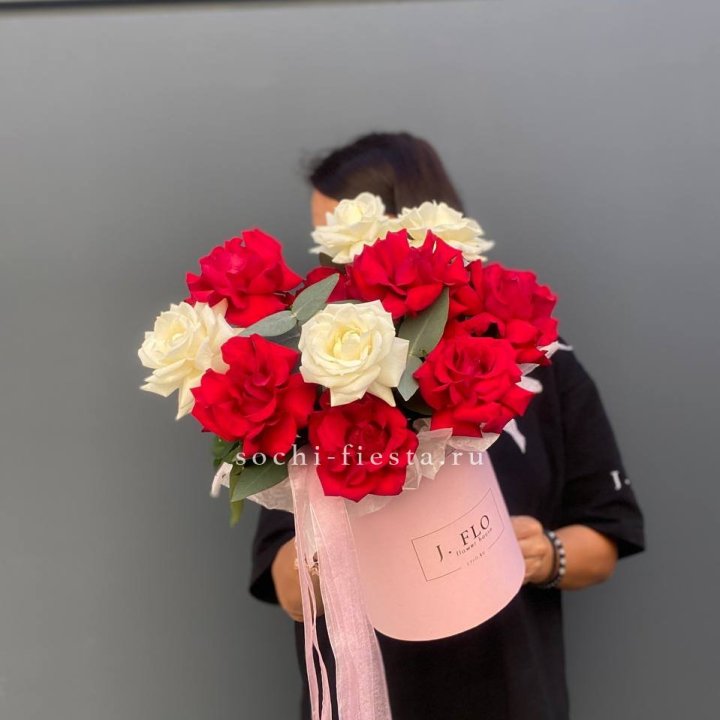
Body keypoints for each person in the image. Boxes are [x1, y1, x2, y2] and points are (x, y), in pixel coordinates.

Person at [249, 132, 645, 720]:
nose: (328, 262)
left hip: (510, 697)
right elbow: (287, 586)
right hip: (369, 699)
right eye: (321, 239)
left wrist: (545, 553)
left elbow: (607, 534)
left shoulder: (538, 360)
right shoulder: (313, 373)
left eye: (338, 237)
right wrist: (329, 549)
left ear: (403, 229)